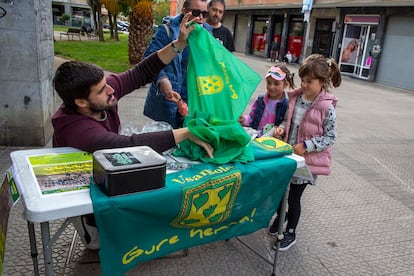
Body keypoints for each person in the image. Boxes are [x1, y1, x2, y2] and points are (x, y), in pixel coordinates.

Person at [52, 13, 214, 250]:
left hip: (111, 172)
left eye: (106, 83)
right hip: (85, 189)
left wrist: (179, 44)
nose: (111, 90)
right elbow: (124, 146)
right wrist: (185, 133)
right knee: (99, 244)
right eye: (101, 90)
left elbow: (141, 72)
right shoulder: (74, 128)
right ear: (81, 103)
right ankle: (89, 225)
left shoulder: (103, 94)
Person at [269, 54, 341, 251]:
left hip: (305, 162)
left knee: (293, 198)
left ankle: (290, 232)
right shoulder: (296, 97)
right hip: (287, 155)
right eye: (303, 80)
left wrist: (307, 145)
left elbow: (331, 137)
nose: (305, 84)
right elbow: (287, 119)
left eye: (310, 81)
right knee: (279, 191)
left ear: (323, 82)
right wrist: (282, 128)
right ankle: (280, 218)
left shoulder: (327, 107)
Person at [143, 0, 212, 129]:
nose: (201, 18)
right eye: (196, 12)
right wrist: (162, 79)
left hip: (193, 103)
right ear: (184, 11)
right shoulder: (167, 30)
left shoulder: (208, 34)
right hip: (166, 102)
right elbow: (148, 58)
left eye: (205, 13)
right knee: (164, 145)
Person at [238, 64, 295, 137]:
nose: (271, 87)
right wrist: (244, 119)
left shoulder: (286, 105)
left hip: (271, 142)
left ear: (285, 85)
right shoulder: (260, 100)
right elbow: (251, 118)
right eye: (269, 82)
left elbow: (286, 124)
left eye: (276, 84)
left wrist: (280, 130)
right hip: (255, 137)